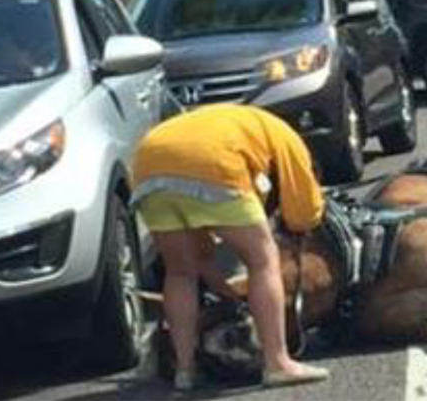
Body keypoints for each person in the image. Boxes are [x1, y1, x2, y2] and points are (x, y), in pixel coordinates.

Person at [131, 103, 329, 391]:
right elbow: (304, 211)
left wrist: (228, 294)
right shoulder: (288, 138)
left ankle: (185, 371)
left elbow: (202, 260)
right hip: (211, 162)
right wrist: (303, 222)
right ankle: (278, 363)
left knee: (180, 272)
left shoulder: (233, 122)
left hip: (147, 166)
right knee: (263, 261)